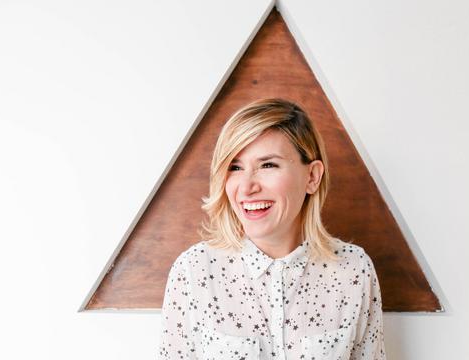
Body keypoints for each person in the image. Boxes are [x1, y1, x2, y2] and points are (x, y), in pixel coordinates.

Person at [157, 98, 386, 359]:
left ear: (312, 177)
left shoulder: (354, 269)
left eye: (268, 165)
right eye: (235, 167)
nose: (246, 187)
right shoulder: (193, 271)